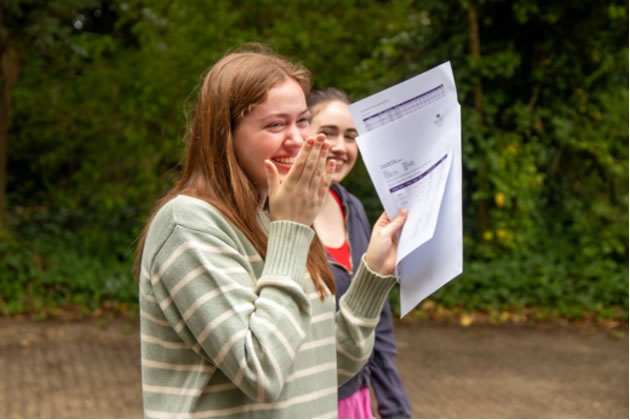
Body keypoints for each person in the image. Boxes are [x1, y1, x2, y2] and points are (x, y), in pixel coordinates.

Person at [135, 44, 407, 419]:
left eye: (302, 121)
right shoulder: (189, 223)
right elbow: (260, 369)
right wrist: (292, 229)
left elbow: (328, 367)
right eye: (275, 124)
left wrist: (371, 275)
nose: (297, 139)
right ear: (224, 136)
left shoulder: (278, 218)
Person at [308, 88, 412, 419]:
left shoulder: (352, 208)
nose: (340, 146)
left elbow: (376, 319)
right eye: (328, 133)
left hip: (356, 401)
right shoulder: (278, 218)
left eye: (351, 137)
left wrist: (395, 407)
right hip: (306, 404)